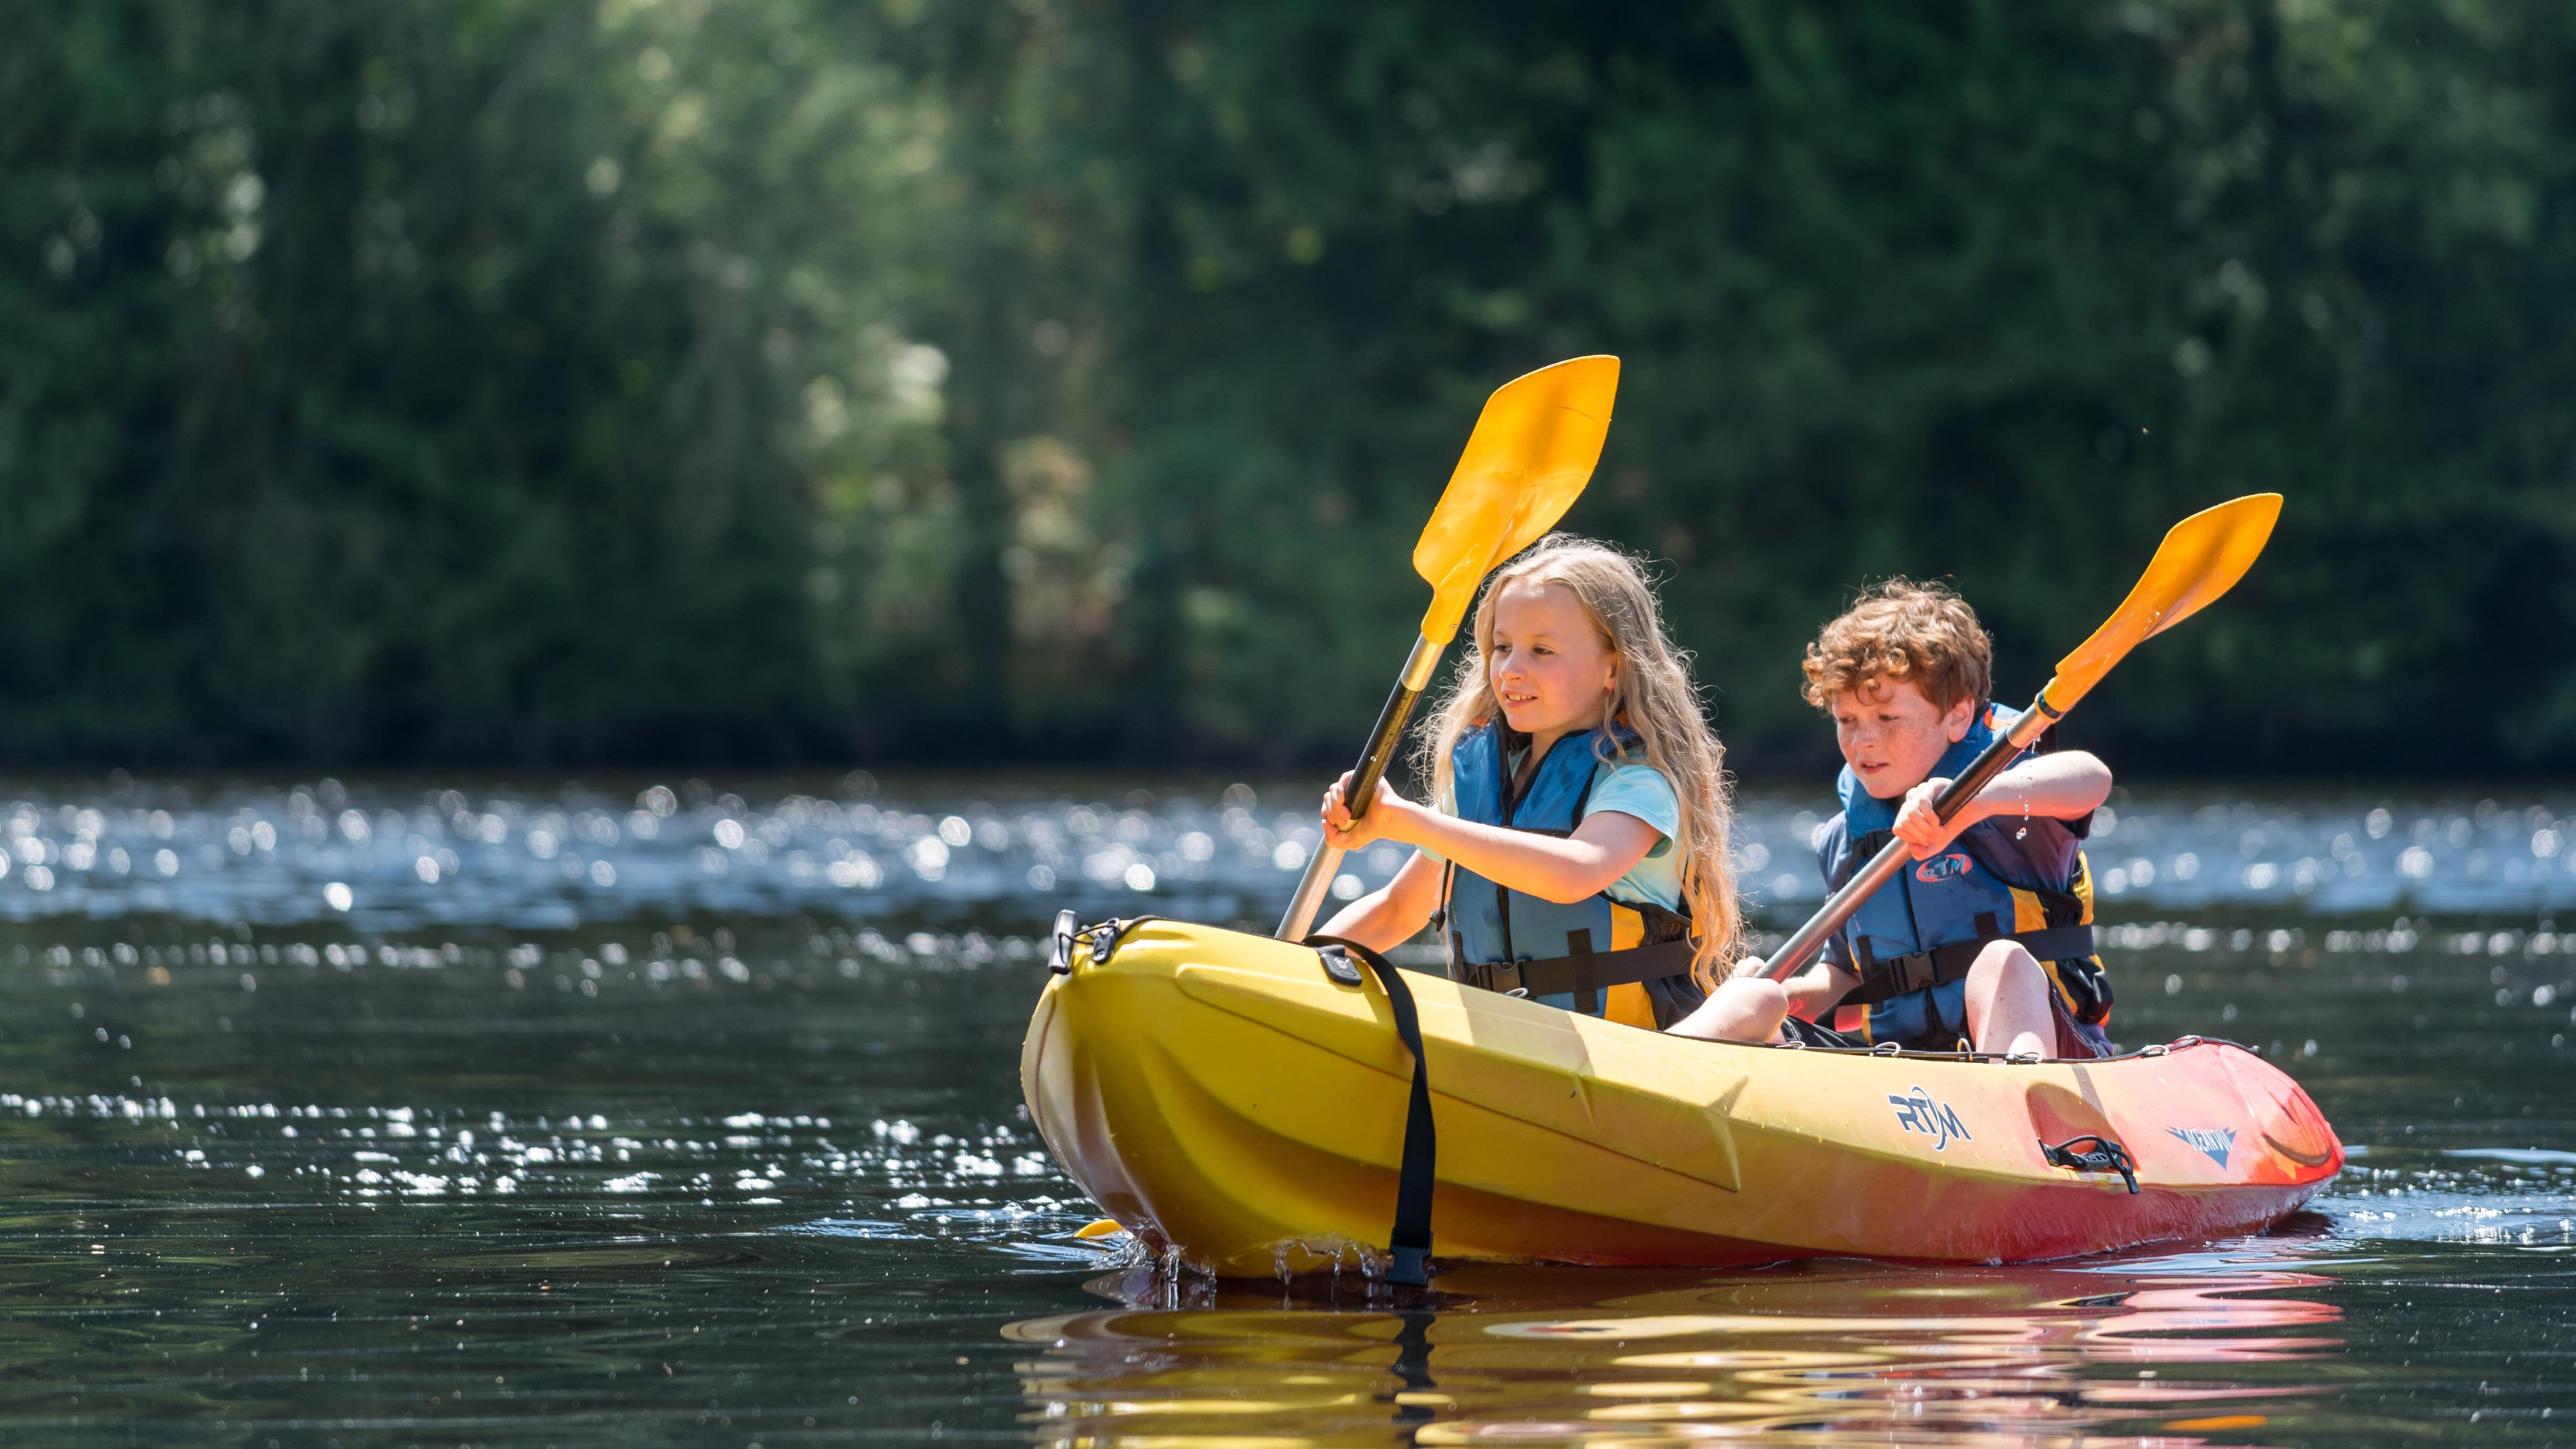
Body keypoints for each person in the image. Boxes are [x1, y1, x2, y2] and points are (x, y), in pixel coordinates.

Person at [1668, 579, 2118, 1058]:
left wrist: (1978, 800)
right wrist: (1796, 995)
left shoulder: (2013, 804)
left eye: (1887, 720)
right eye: (1847, 721)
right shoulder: (1846, 840)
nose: (1862, 742)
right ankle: (1659, 1071)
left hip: (2040, 1053)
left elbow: (2092, 779)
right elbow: (1847, 973)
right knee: (1756, 993)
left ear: (1958, 716)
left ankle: (2018, 1108)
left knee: (2001, 961)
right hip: (1902, 1068)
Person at [1313, 534, 1739, 1028]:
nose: (1511, 670)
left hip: (1626, 1048)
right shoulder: (1485, 782)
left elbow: (1573, 874)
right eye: (1501, 647)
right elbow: (1395, 911)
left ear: (1613, 667)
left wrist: (1407, 821)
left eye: (1541, 650)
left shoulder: (1637, 780)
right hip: (1507, 1041)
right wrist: (1286, 968)